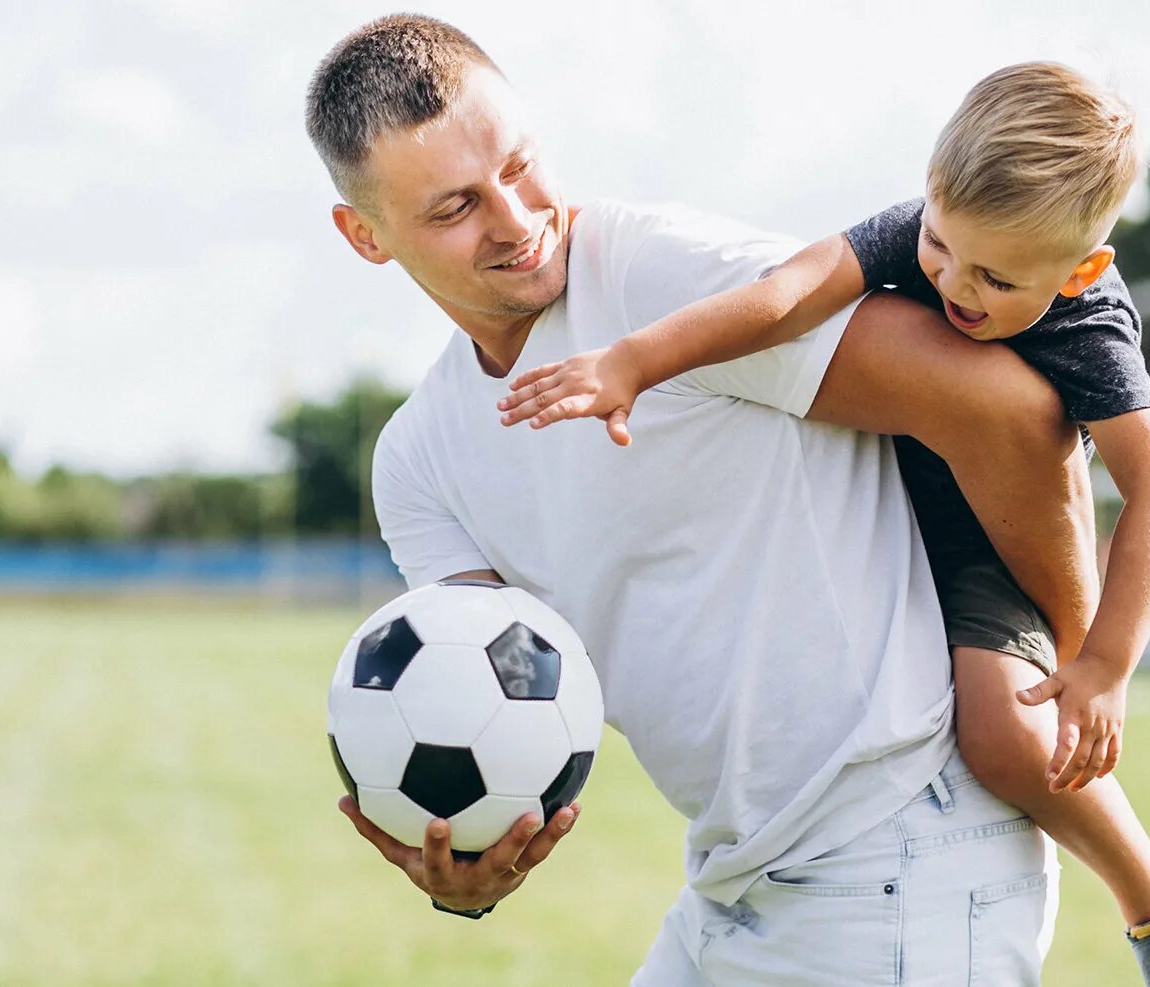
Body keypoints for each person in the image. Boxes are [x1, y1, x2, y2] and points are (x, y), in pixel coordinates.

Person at [308, 15, 1101, 984]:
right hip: (733, 884)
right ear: (363, 235)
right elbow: (486, 700)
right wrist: (466, 866)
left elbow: (1006, 409)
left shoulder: (654, 278)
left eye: (520, 166)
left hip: (904, 857)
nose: (515, 220)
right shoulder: (420, 463)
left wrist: (1082, 656)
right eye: (455, 208)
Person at [495, 61, 1150, 986]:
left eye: (995, 279)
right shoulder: (925, 230)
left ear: (1080, 269)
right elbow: (784, 296)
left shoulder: (1091, 326)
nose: (953, 285)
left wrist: (1102, 667)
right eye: (938, 245)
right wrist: (633, 363)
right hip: (875, 513)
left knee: (1006, 734)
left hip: (979, 550)